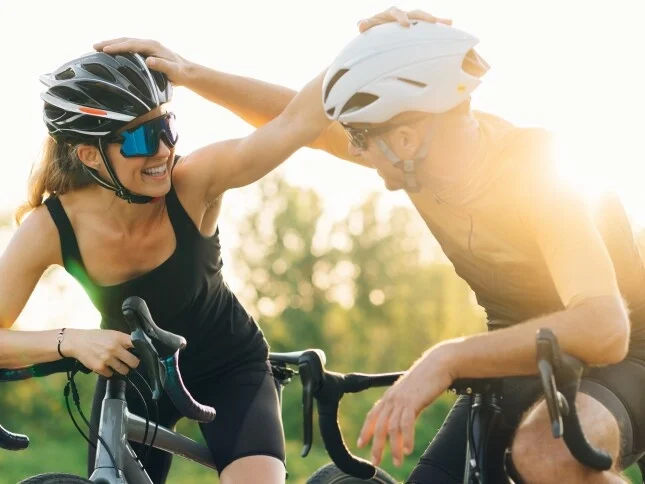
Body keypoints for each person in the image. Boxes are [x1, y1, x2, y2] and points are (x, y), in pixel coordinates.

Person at [97, 7, 645, 484]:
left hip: (625, 358)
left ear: (406, 138)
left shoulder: (537, 172)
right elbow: (301, 125)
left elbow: (604, 327)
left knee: (545, 455)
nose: (356, 151)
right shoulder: (423, 161)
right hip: (519, 356)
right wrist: (190, 74)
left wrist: (446, 360)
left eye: (361, 138)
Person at [0, 38, 343, 483]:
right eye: (143, 136)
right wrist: (71, 340)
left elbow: (298, 122)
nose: (163, 150)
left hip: (230, 370)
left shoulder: (194, 183)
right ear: (89, 155)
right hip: (134, 382)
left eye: (167, 127)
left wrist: (373, 50)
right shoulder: (52, 227)